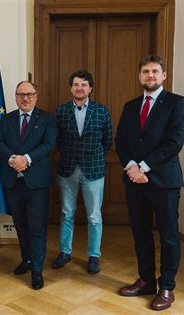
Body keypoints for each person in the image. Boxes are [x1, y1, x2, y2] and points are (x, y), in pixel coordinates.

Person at [115, 55, 184, 311]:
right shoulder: (130, 105)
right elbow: (121, 141)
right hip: (135, 181)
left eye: (155, 71)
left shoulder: (178, 104)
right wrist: (132, 167)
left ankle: (166, 286)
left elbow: (174, 142)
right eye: (145, 71)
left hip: (164, 181)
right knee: (140, 233)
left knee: (168, 236)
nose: (150, 75)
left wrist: (144, 166)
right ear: (139, 76)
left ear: (164, 76)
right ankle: (146, 281)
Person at [0, 81, 57, 290]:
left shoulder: (47, 119)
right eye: (21, 94)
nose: (26, 98)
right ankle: (27, 259)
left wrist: (27, 159)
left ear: (36, 96)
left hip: (36, 183)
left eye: (30, 94)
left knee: (37, 227)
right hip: (13, 183)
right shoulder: (7, 120)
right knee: (21, 224)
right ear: (15, 97)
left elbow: (48, 144)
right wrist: (13, 158)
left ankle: (37, 270)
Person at [52, 70, 113, 274]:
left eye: (84, 85)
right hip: (67, 169)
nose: (80, 88)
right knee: (66, 213)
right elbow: (57, 140)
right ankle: (65, 252)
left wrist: (92, 156)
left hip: (93, 170)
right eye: (76, 84)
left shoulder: (102, 111)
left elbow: (108, 140)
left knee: (94, 216)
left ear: (90, 88)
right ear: (71, 88)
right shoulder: (61, 111)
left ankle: (94, 255)